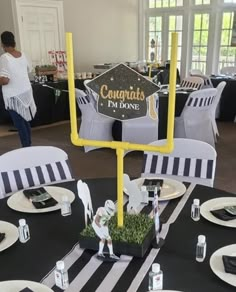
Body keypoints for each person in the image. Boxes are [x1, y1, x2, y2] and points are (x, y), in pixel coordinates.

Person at [0, 31, 36, 147]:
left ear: (2, 44)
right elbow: (27, 70)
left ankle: (26, 148)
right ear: (14, 42)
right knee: (25, 121)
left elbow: (5, 80)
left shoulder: (5, 57)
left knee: (20, 124)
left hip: (13, 95)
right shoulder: (23, 55)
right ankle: (28, 145)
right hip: (25, 92)